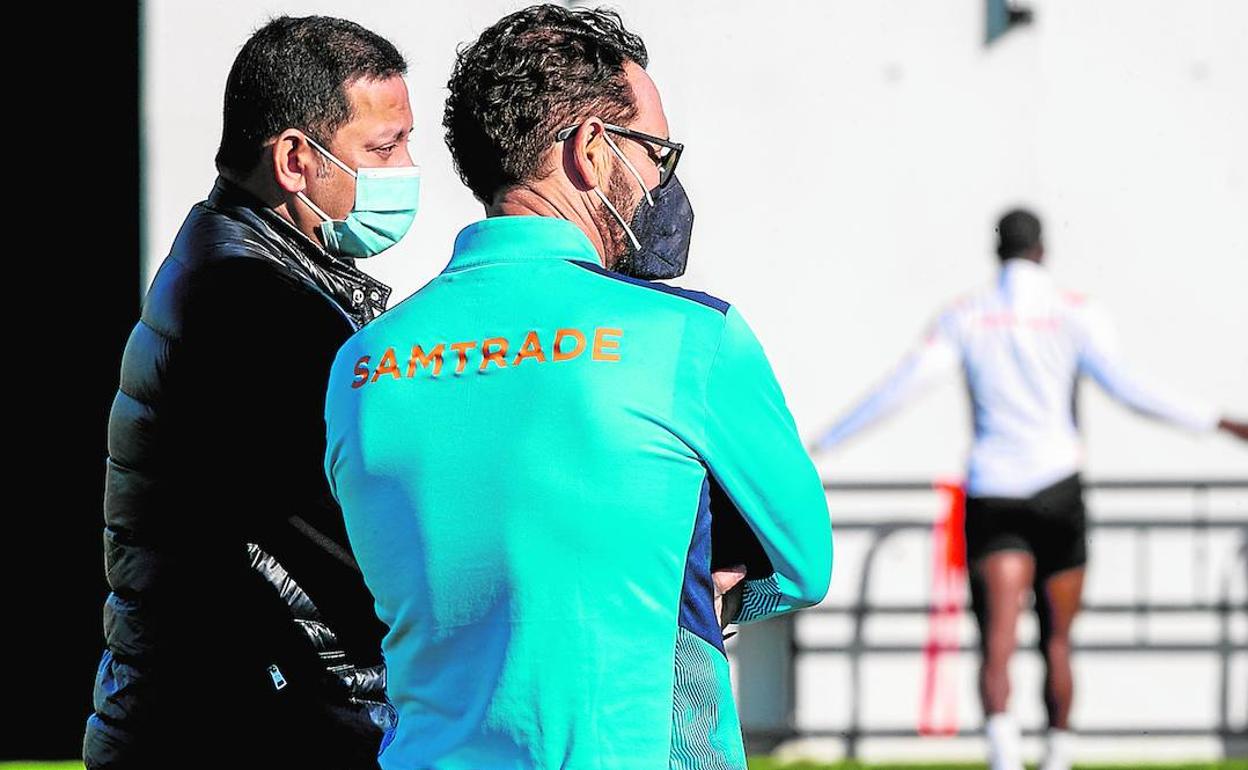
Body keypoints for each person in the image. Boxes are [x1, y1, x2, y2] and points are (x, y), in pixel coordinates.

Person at [323, 6, 833, 768]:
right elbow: (802, 564)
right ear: (593, 150)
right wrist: (706, 588)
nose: (663, 179)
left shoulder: (360, 365)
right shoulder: (692, 337)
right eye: (656, 151)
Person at [84, 16, 421, 769]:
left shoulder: (233, 262)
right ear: (297, 158)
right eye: (384, 147)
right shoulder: (254, 301)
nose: (407, 168)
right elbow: (366, 541)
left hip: (219, 712)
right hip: (254, 721)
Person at [810, 208, 1248, 770]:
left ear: (998, 249)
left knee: (997, 638)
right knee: (1057, 642)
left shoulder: (967, 314)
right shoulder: (1074, 312)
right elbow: (1131, 388)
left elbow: (903, 386)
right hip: (1059, 488)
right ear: (1042, 250)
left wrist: (823, 442)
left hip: (995, 492)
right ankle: (1058, 757)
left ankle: (1002, 757)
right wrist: (1218, 421)